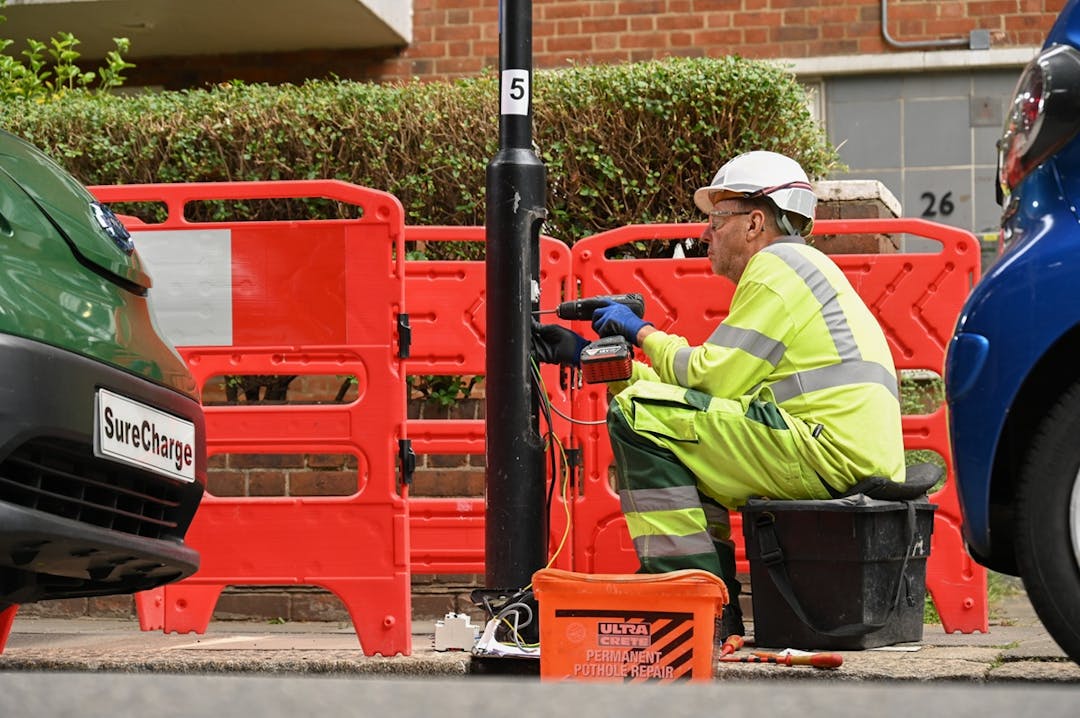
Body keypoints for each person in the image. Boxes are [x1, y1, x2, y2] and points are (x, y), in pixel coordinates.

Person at [587, 150, 905, 639]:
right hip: (844, 453)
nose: (704, 234)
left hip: (825, 452)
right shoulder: (805, 270)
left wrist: (640, 332)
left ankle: (686, 602)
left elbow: (708, 379)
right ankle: (713, 611)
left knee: (635, 416)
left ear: (755, 223)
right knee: (685, 445)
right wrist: (610, 367)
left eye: (717, 220)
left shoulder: (777, 267)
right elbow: (712, 405)